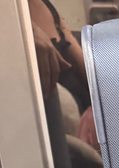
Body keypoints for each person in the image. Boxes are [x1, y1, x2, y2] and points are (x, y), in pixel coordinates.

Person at [29, 0, 98, 149]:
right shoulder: (12, 18)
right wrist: (26, 32)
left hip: (88, 117)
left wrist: (104, 103)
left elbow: (86, 69)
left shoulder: (45, 5)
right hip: (65, 140)